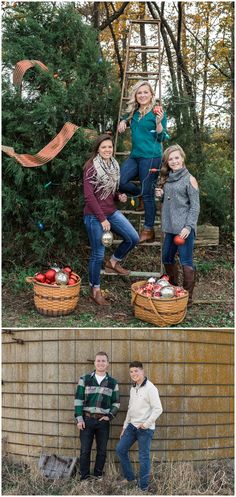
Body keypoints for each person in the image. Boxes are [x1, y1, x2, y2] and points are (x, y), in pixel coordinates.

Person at [83, 134, 139, 306]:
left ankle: (113, 262)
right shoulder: (91, 168)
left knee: (133, 238)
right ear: (98, 149)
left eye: (109, 147)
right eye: (103, 147)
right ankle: (95, 290)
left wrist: (118, 196)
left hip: (111, 211)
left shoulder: (113, 165)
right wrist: (102, 219)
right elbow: (89, 197)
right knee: (98, 253)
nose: (107, 150)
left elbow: (108, 190)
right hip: (94, 215)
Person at [118, 80, 169, 243]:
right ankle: (137, 193)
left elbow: (162, 137)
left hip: (152, 156)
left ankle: (148, 230)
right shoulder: (134, 112)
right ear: (136, 95)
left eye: (145, 92)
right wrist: (123, 121)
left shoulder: (158, 112)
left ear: (151, 94)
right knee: (119, 180)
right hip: (135, 156)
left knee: (148, 194)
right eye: (139, 93)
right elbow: (126, 117)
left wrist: (159, 123)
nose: (142, 95)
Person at [156, 144, 200, 307]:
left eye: (177, 157)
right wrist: (161, 196)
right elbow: (169, 202)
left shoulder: (190, 179)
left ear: (182, 158)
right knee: (167, 257)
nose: (174, 161)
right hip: (170, 229)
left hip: (184, 230)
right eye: (171, 159)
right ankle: (173, 290)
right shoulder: (168, 179)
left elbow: (195, 206)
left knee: (186, 262)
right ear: (167, 162)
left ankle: (187, 299)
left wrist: (188, 227)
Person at [116, 361, 163, 491]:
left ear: (142, 371)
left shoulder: (150, 388)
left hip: (145, 429)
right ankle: (130, 478)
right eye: (131, 372)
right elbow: (130, 409)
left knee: (143, 457)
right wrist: (125, 427)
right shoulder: (133, 388)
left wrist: (146, 424)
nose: (133, 374)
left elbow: (158, 409)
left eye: (136, 371)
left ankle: (143, 487)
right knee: (120, 449)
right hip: (132, 427)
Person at [74, 351, 120, 481]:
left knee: (102, 451)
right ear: (94, 363)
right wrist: (79, 418)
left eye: (103, 361)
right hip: (87, 420)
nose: (100, 363)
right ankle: (84, 477)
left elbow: (116, 403)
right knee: (85, 451)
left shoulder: (112, 382)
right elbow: (78, 400)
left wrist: (109, 416)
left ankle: (98, 476)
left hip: (103, 421)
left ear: (108, 364)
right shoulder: (85, 379)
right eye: (98, 360)